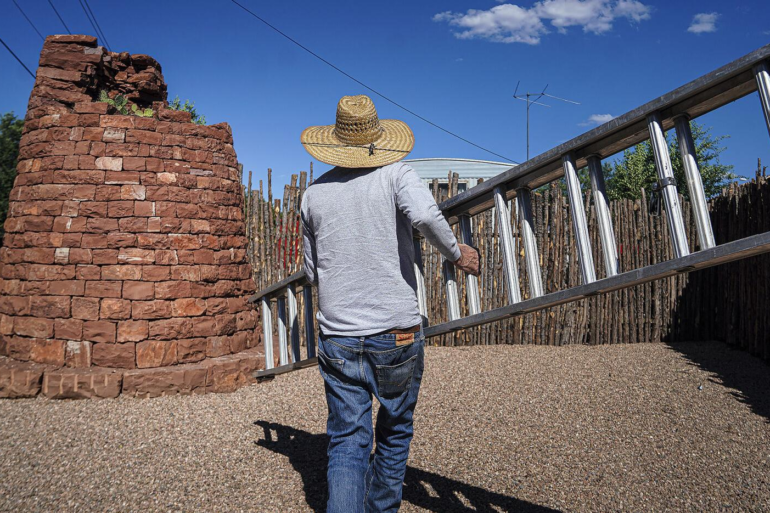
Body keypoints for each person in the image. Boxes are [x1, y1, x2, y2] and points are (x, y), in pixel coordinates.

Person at [300, 94, 480, 512]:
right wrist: (457, 253)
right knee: (395, 430)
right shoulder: (396, 174)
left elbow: (311, 272)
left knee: (347, 439)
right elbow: (427, 217)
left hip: (339, 334)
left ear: (336, 141)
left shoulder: (313, 193)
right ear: (377, 138)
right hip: (395, 331)